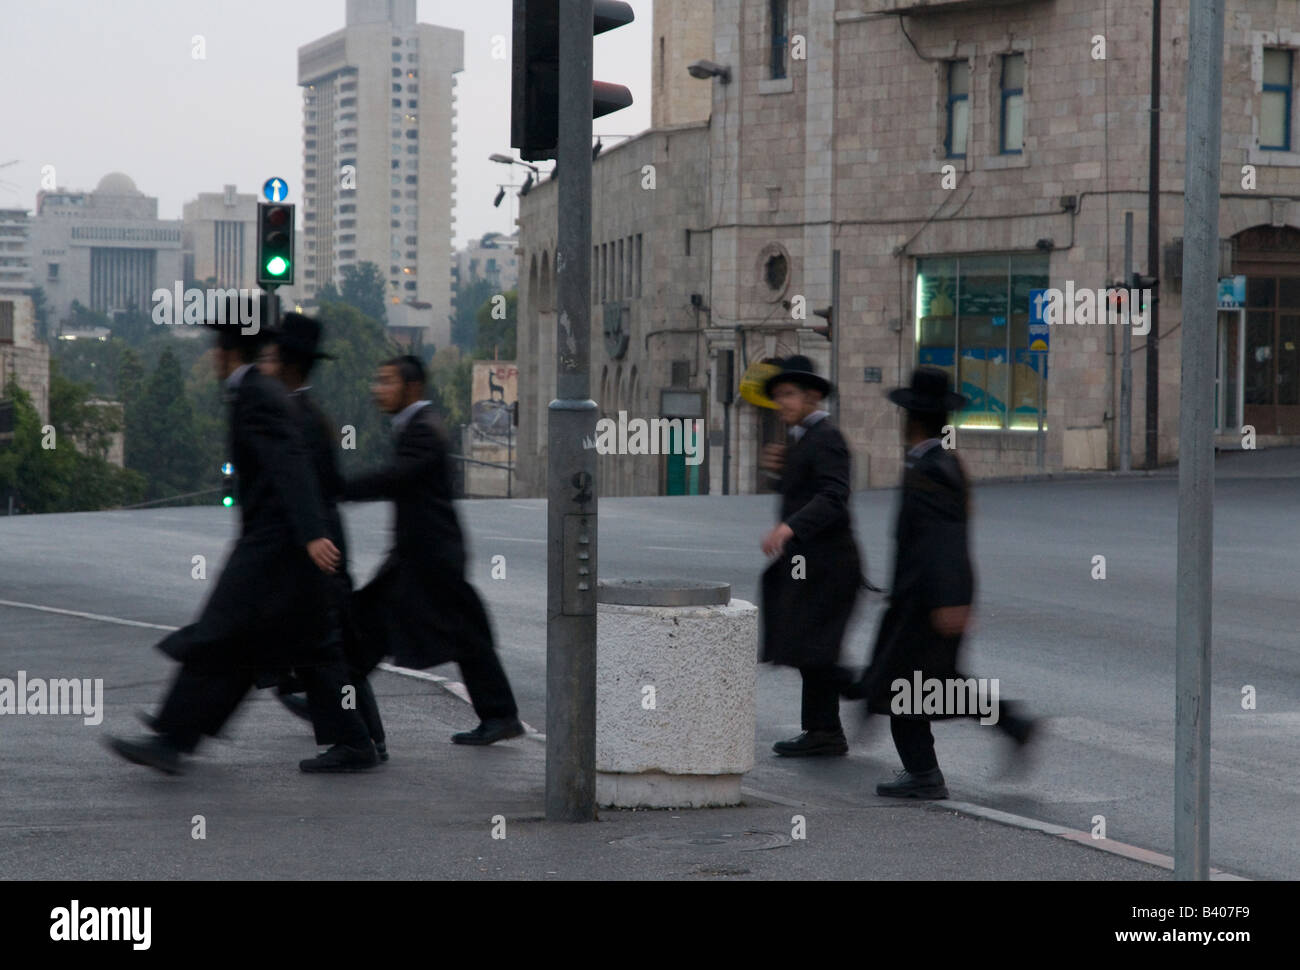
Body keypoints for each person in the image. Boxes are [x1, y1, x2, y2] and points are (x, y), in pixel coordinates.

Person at [105, 295, 380, 774]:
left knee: (220, 633)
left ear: (226, 350)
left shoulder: (257, 395)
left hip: (273, 549)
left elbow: (290, 466)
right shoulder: (261, 392)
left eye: (215, 347)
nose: (212, 355)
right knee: (273, 648)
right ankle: (351, 741)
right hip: (284, 550)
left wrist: (313, 533)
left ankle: (173, 738)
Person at [850, 367, 1035, 799]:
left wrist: (950, 599)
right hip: (924, 598)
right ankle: (1012, 725)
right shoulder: (935, 462)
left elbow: (945, 541)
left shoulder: (933, 468)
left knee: (906, 689)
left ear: (910, 420)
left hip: (929, 601)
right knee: (934, 685)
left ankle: (924, 773)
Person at [344, 355, 524, 745]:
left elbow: (396, 477)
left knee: (372, 626)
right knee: (457, 635)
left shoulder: (424, 429)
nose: (379, 389)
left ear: (412, 388)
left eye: (388, 381)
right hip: (423, 555)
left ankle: (336, 702)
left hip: (429, 558)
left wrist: (342, 489)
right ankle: (500, 715)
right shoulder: (416, 426)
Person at [259, 313, 387, 761]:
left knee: (322, 649)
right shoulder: (310, 414)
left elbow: (306, 489)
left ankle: (354, 741)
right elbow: (332, 485)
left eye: (272, 357)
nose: (265, 365)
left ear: (289, 364)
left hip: (313, 550)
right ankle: (368, 735)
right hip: (325, 545)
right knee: (336, 647)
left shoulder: (292, 416)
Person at [758, 354, 864, 757]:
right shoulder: (800, 440)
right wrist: (776, 475)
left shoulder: (827, 438)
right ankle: (823, 730)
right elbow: (802, 492)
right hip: (808, 563)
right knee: (807, 646)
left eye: (788, 394)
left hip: (830, 564)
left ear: (813, 396)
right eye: (779, 395)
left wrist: (789, 528)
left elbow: (834, 496)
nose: (782, 403)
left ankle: (867, 689)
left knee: (814, 647)